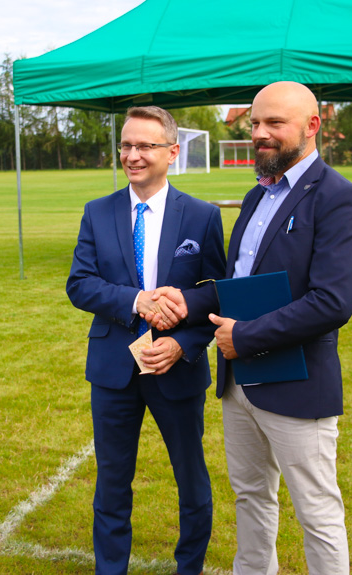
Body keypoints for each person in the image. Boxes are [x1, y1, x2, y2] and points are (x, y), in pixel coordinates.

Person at [148, 81, 352, 575]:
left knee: (316, 512)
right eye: (255, 124)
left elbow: (332, 302)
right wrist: (187, 299)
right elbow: (236, 284)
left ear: (312, 127)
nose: (261, 134)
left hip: (297, 384)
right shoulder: (255, 196)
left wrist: (243, 338)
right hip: (239, 383)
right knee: (250, 498)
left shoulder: (339, 199)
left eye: (275, 124)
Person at [66, 106, 226, 575]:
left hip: (176, 369)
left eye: (145, 146)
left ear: (173, 153)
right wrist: (136, 301)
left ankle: (190, 566)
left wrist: (184, 344)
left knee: (190, 478)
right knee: (112, 482)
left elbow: (216, 293)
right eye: (126, 146)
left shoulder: (201, 217)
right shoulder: (98, 212)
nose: (132, 155)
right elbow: (80, 284)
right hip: (113, 370)